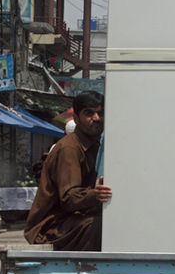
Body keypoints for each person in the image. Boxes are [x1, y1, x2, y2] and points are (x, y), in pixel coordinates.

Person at [25, 91, 112, 250]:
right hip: (52, 225)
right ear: (77, 119)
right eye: (89, 113)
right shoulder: (69, 148)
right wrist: (96, 194)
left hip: (73, 219)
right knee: (100, 228)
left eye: (100, 113)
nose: (97, 118)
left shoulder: (96, 146)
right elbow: (69, 197)